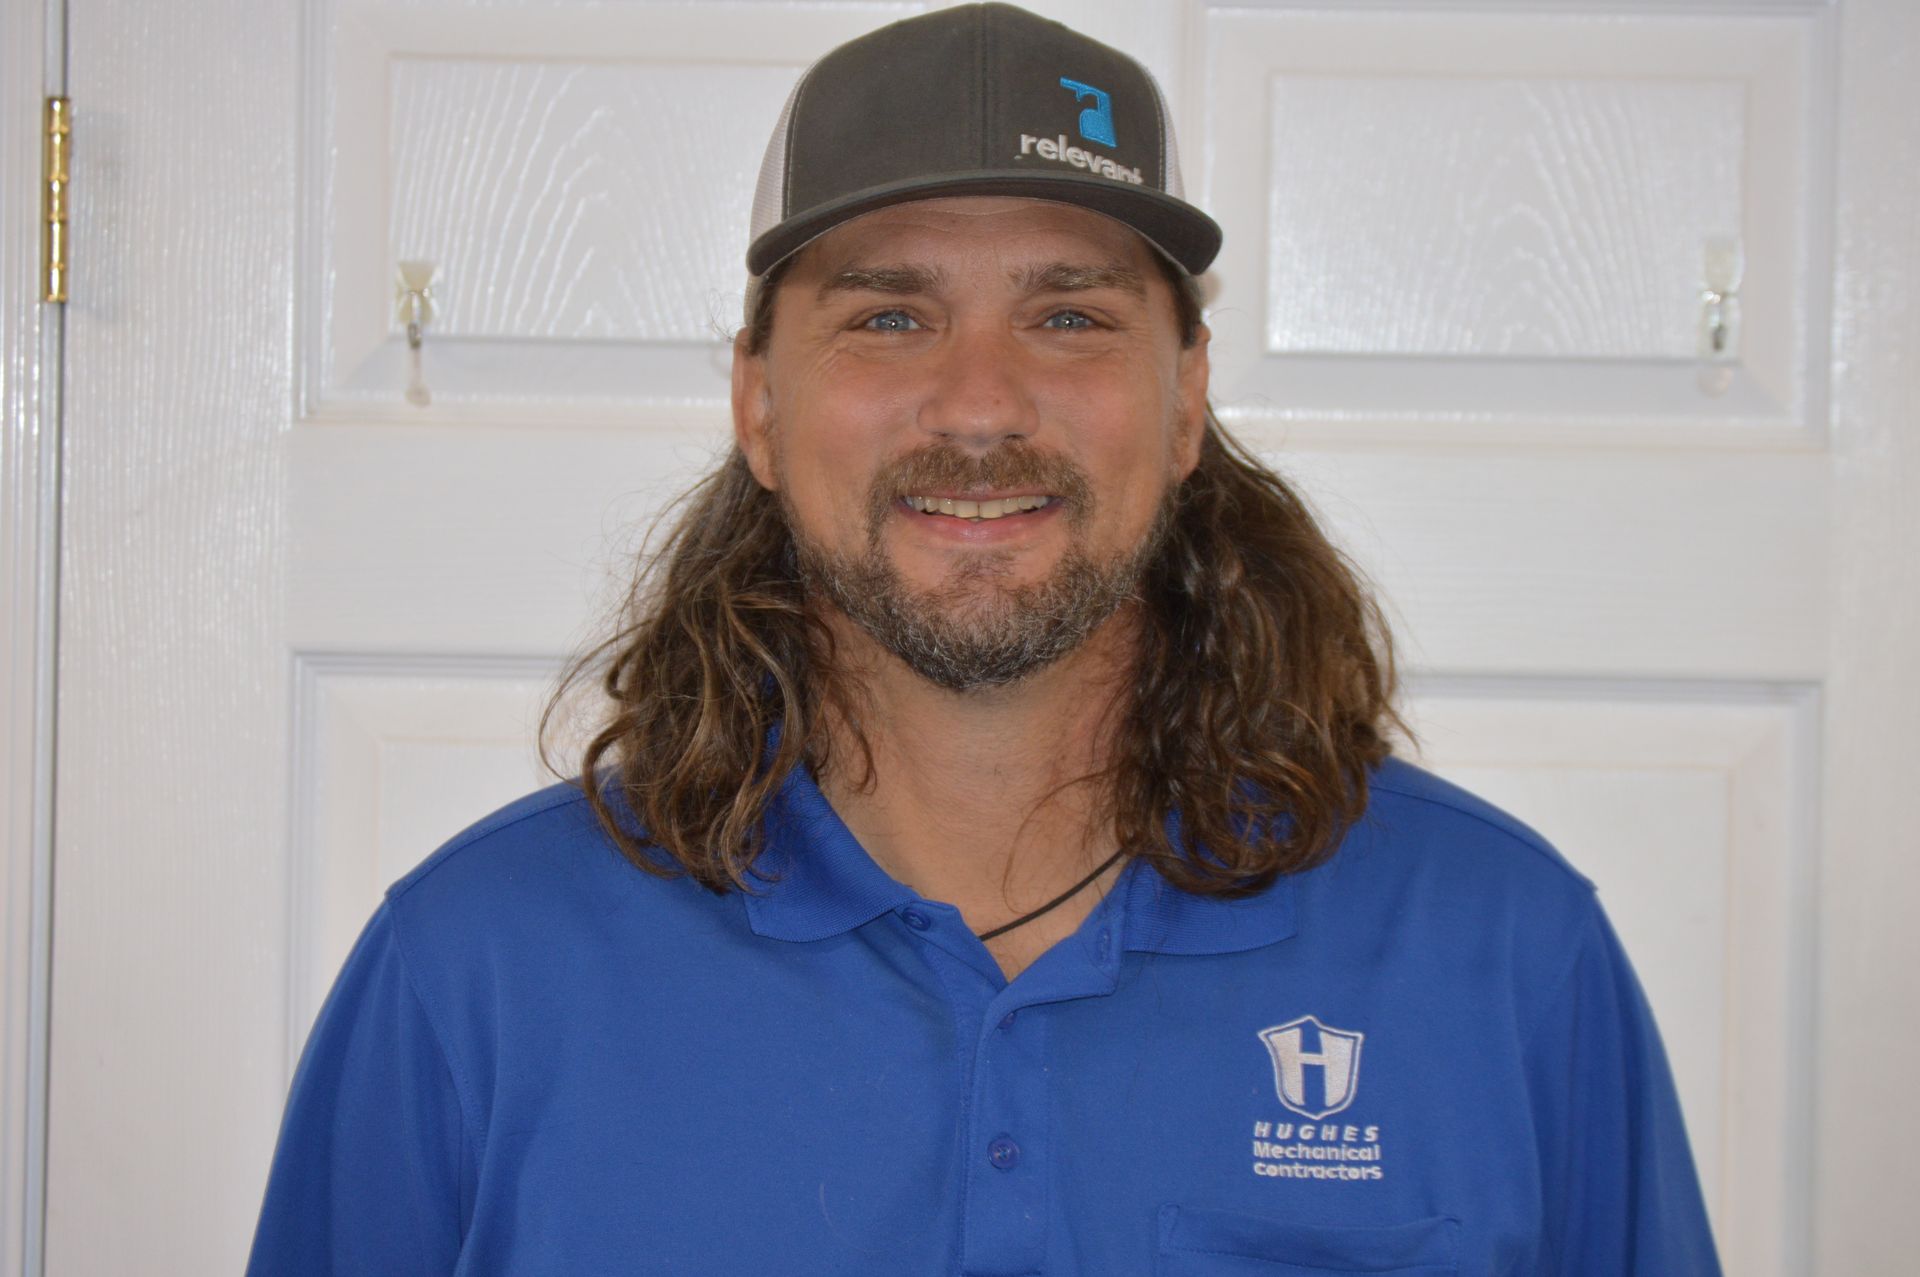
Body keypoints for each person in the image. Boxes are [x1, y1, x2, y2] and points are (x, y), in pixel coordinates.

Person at [246, 5, 1721, 1273]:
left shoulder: (1501, 953)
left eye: (1069, 318)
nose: (978, 405)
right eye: (888, 319)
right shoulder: (475, 975)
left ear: (1187, 394)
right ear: (758, 400)